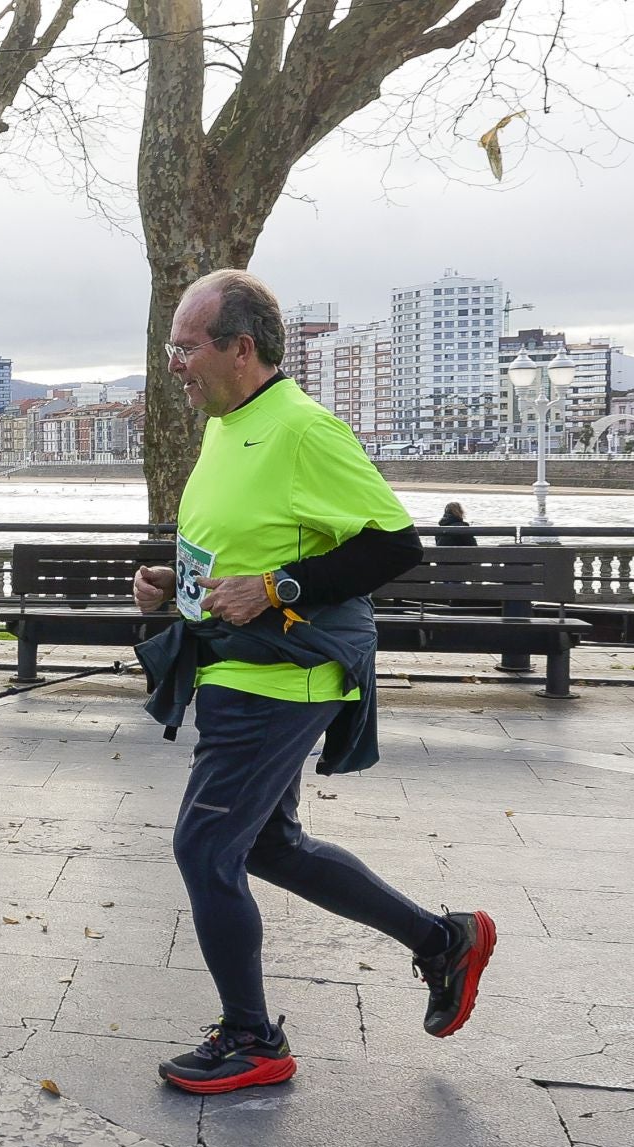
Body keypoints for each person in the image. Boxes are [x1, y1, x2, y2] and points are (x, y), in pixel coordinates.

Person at [130, 268, 494, 1095]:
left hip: (280, 679)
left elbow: (394, 545)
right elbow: (240, 549)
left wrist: (277, 589)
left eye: (186, 347)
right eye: (171, 348)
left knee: (204, 846)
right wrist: (171, 583)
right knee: (268, 845)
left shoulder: (303, 427)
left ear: (240, 348)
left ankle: (255, 1040)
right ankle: (444, 941)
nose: (174, 364)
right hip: (233, 671)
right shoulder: (228, 425)